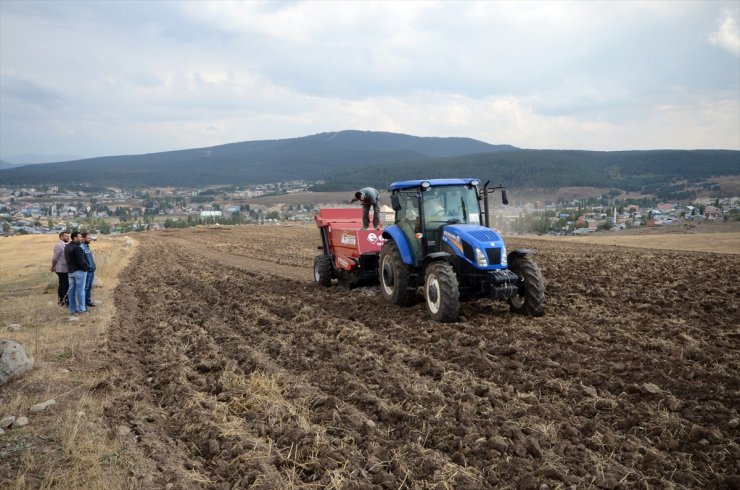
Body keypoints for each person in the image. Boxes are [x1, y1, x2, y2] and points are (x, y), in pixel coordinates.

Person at [64, 231, 88, 315]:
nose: (81, 238)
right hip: (79, 272)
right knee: (80, 291)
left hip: (70, 272)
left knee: (71, 291)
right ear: (74, 238)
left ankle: (73, 310)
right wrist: (85, 268)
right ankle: (82, 309)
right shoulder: (77, 248)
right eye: (80, 237)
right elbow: (80, 261)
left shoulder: (67, 247)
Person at [51, 231, 70, 306]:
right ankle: (64, 301)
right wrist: (53, 266)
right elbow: (54, 258)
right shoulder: (59, 245)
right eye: (66, 236)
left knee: (62, 284)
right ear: (61, 237)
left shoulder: (65, 245)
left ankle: (61, 301)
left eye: (68, 236)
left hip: (64, 268)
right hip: (61, 269)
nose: (68, 237)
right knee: (65, 285)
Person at [81, 232, 97, 307]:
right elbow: (82, 260)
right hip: (87, 271)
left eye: (90, 238)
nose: (90, 239)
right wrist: (87, 267)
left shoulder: (87, 246)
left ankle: (88, 301)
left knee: (89, 287)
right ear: (83, 238)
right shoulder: (81, 247)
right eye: (88, 238)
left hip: (91, 270)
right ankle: (84, 304)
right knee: (86, 287)